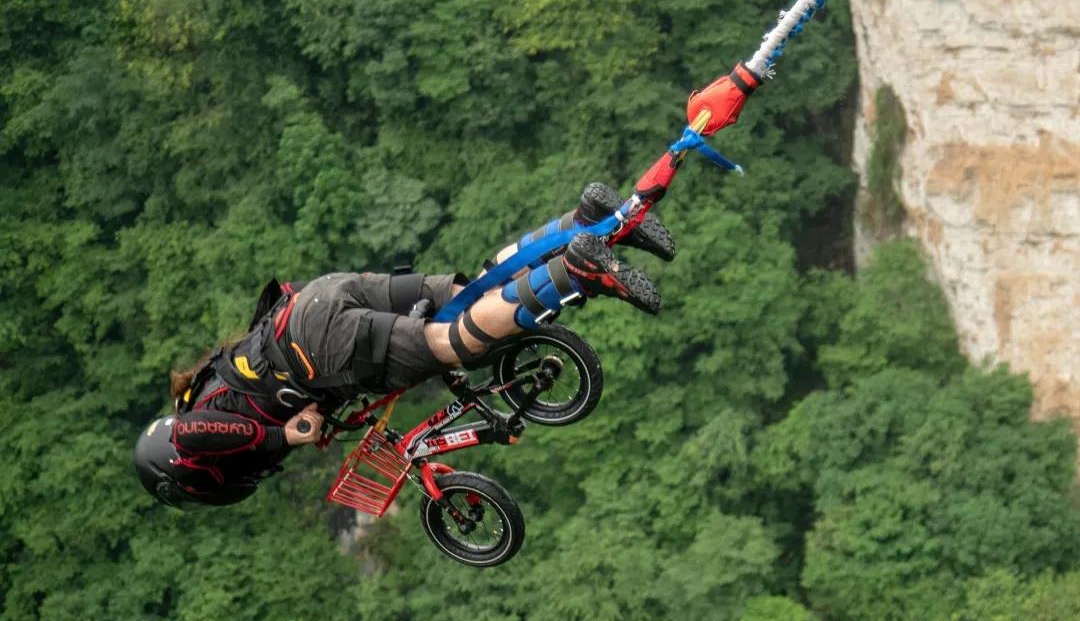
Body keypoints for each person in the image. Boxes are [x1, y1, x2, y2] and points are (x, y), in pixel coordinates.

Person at [134, 183, 675, 510]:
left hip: (318, 346)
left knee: (453, 343)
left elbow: (193, 434)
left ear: (182, 474)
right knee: (474, 294)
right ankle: (584, 221)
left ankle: (574, 270)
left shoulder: (196, 432)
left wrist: (281, 438)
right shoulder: (214, 381)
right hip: (317, 299)